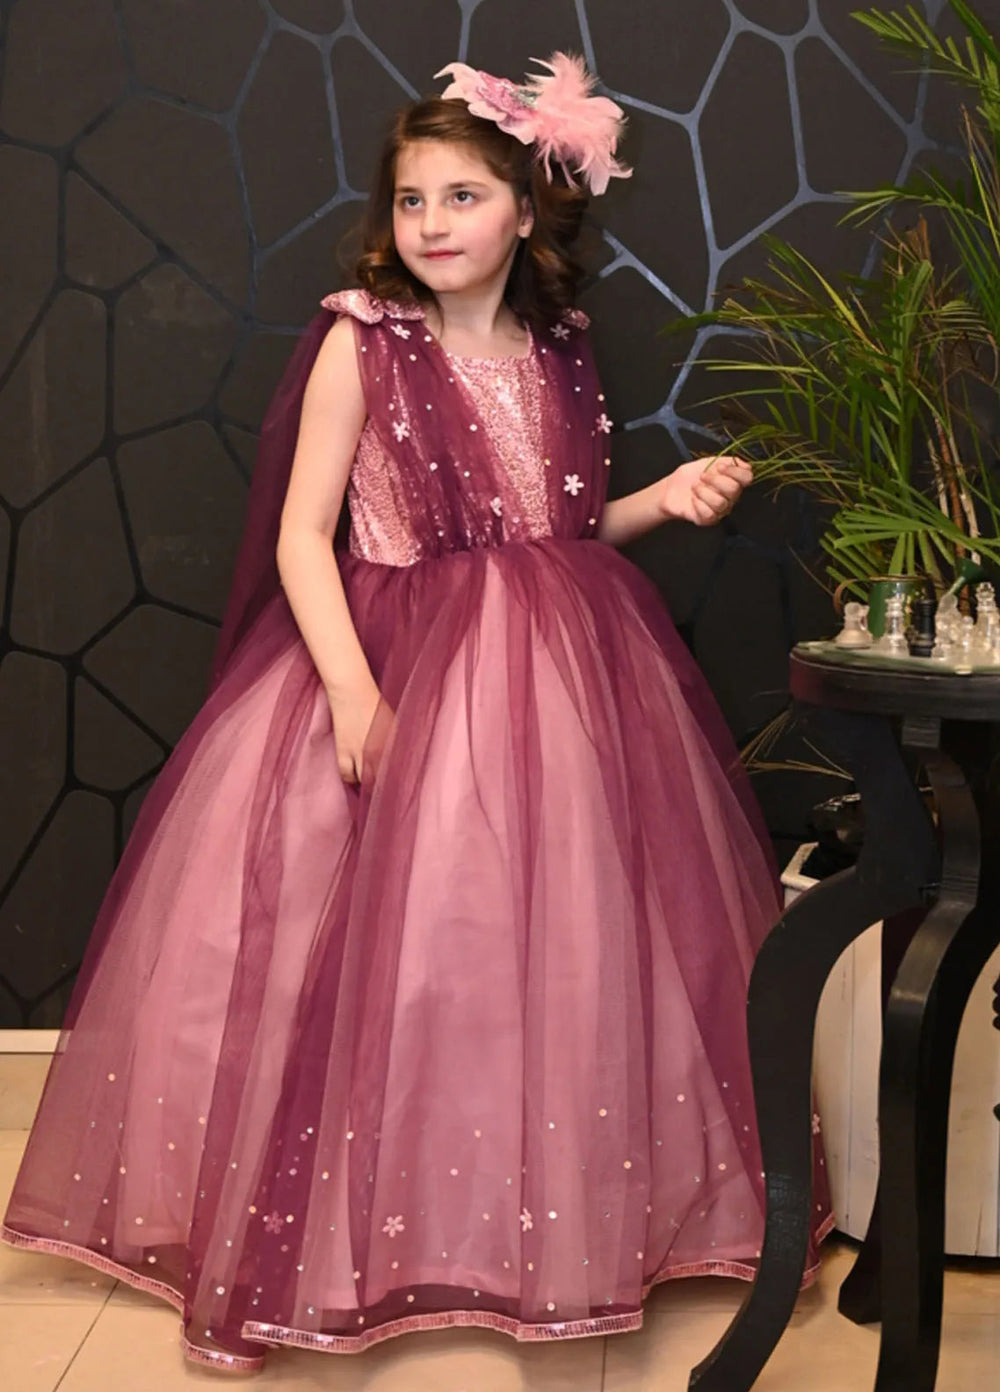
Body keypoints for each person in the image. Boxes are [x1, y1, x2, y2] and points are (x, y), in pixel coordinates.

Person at [2, 53, 830, 1371]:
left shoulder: (558, 350)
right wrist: (350, 689)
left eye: (462, 196)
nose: (433, 223)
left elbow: (552, 535)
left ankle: (521, 1221)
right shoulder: (362, 342)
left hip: (553, 684)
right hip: (391, 660)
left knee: (529, 955)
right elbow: (301, 538)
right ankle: (359, 1229)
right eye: (410, 199)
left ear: (525, 211)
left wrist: (660, 503)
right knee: (383, 949)